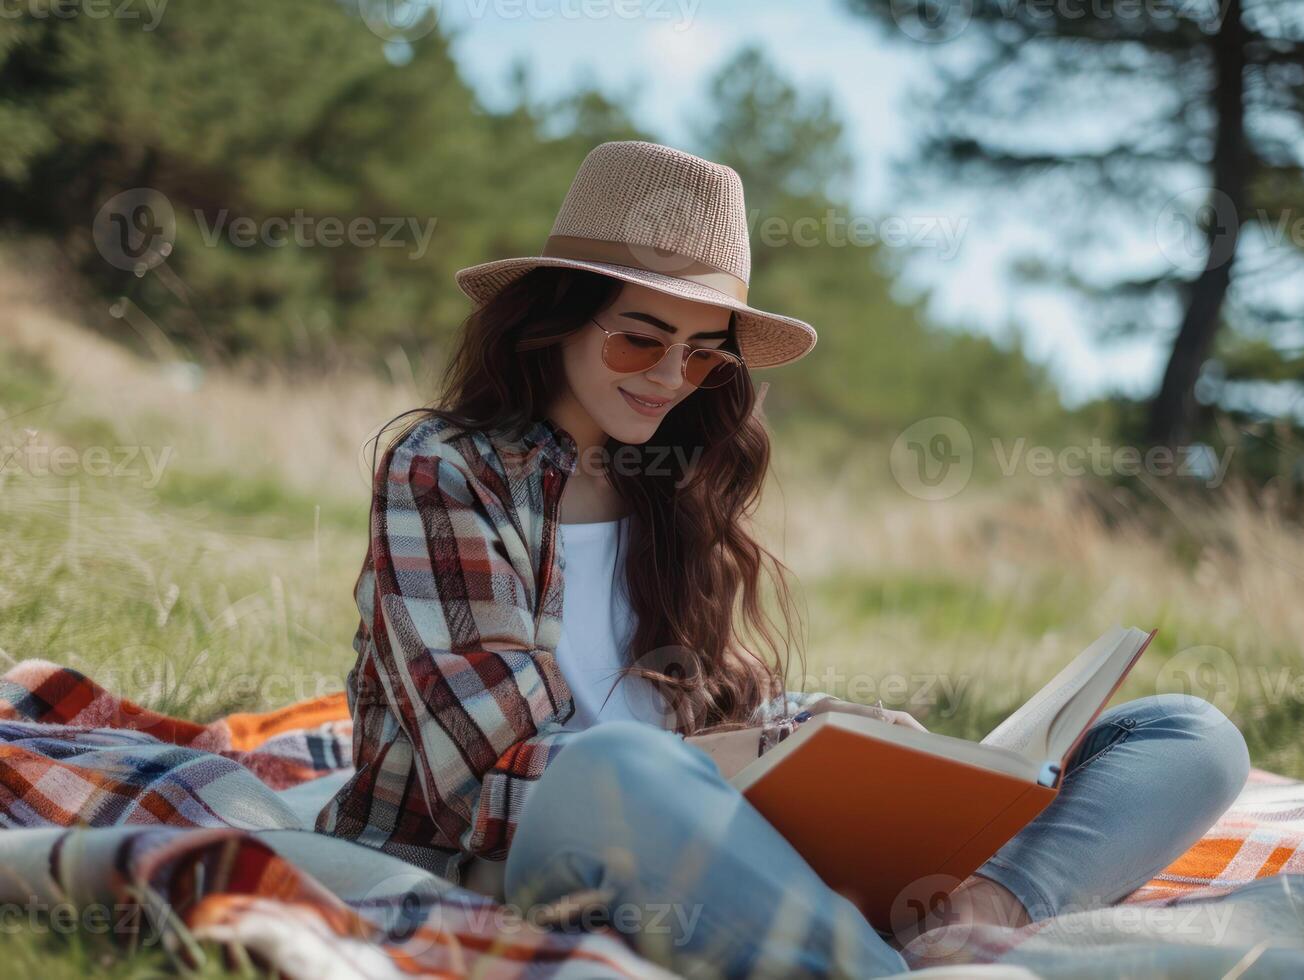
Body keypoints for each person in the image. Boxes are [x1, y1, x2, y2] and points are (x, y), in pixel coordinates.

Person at [316, 140, 1251, 979]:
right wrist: (737, 758)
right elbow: (491, 774)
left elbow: (714, 714)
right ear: (555, 319)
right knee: (621, 769)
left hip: (725, 834)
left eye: (705, 357)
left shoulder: (674, 484)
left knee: (1186, 733)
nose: (669, 379)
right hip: (549, 840)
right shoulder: (449, 468)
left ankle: (972, 920)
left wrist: (825, 736)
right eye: (641, 336)